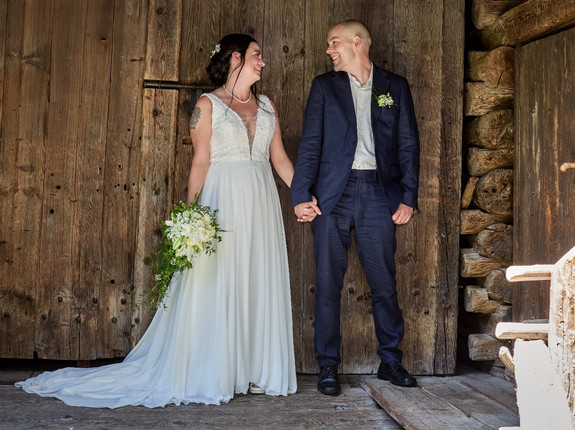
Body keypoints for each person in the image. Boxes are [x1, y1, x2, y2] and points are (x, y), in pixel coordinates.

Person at [16, 33, 297, 407]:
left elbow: (279, 159)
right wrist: (191, 216)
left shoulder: (266, 106)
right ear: (236, 58)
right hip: (223, 200)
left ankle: (256, 369)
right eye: (256, 55)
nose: (262, 62)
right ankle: (218, 369)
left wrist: (302, 194)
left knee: (256, 276)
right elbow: (200, 161)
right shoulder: (208, 105)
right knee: (220, 279)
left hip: (261, 200)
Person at [290, 20, 420, 395]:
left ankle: (390, 361)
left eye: (334, 43)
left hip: (379, 192)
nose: (329, 50)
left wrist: (408, 196)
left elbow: (409, 144)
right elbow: (310, 143)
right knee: (328, 283)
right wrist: (300, 194)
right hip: (332, 194)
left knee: (384, 282)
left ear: (357, 42)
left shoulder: (394, 87)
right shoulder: (324, 86)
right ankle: (327, 365)